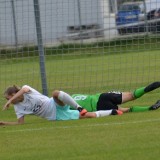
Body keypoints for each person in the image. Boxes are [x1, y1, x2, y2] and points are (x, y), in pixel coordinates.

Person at [0, 85, 122, 126]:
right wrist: (4, 123)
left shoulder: (26, 90)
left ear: (14, 94)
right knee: (89, 116)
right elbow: (21, 124)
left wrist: (10, 101)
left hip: (54, 103)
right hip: (57, 115)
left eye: (8, 97)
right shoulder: (18, 108)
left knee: (55, 93)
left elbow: (24, 89)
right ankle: (113, 112)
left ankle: (79, 107)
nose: (8, 101)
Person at [71, 81, 160, 113]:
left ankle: (150, 108)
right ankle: (149, 87)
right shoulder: (73, 96)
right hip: (102, 96)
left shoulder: (66, 106)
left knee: (126, 110)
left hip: (99, 106)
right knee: (132, 95)